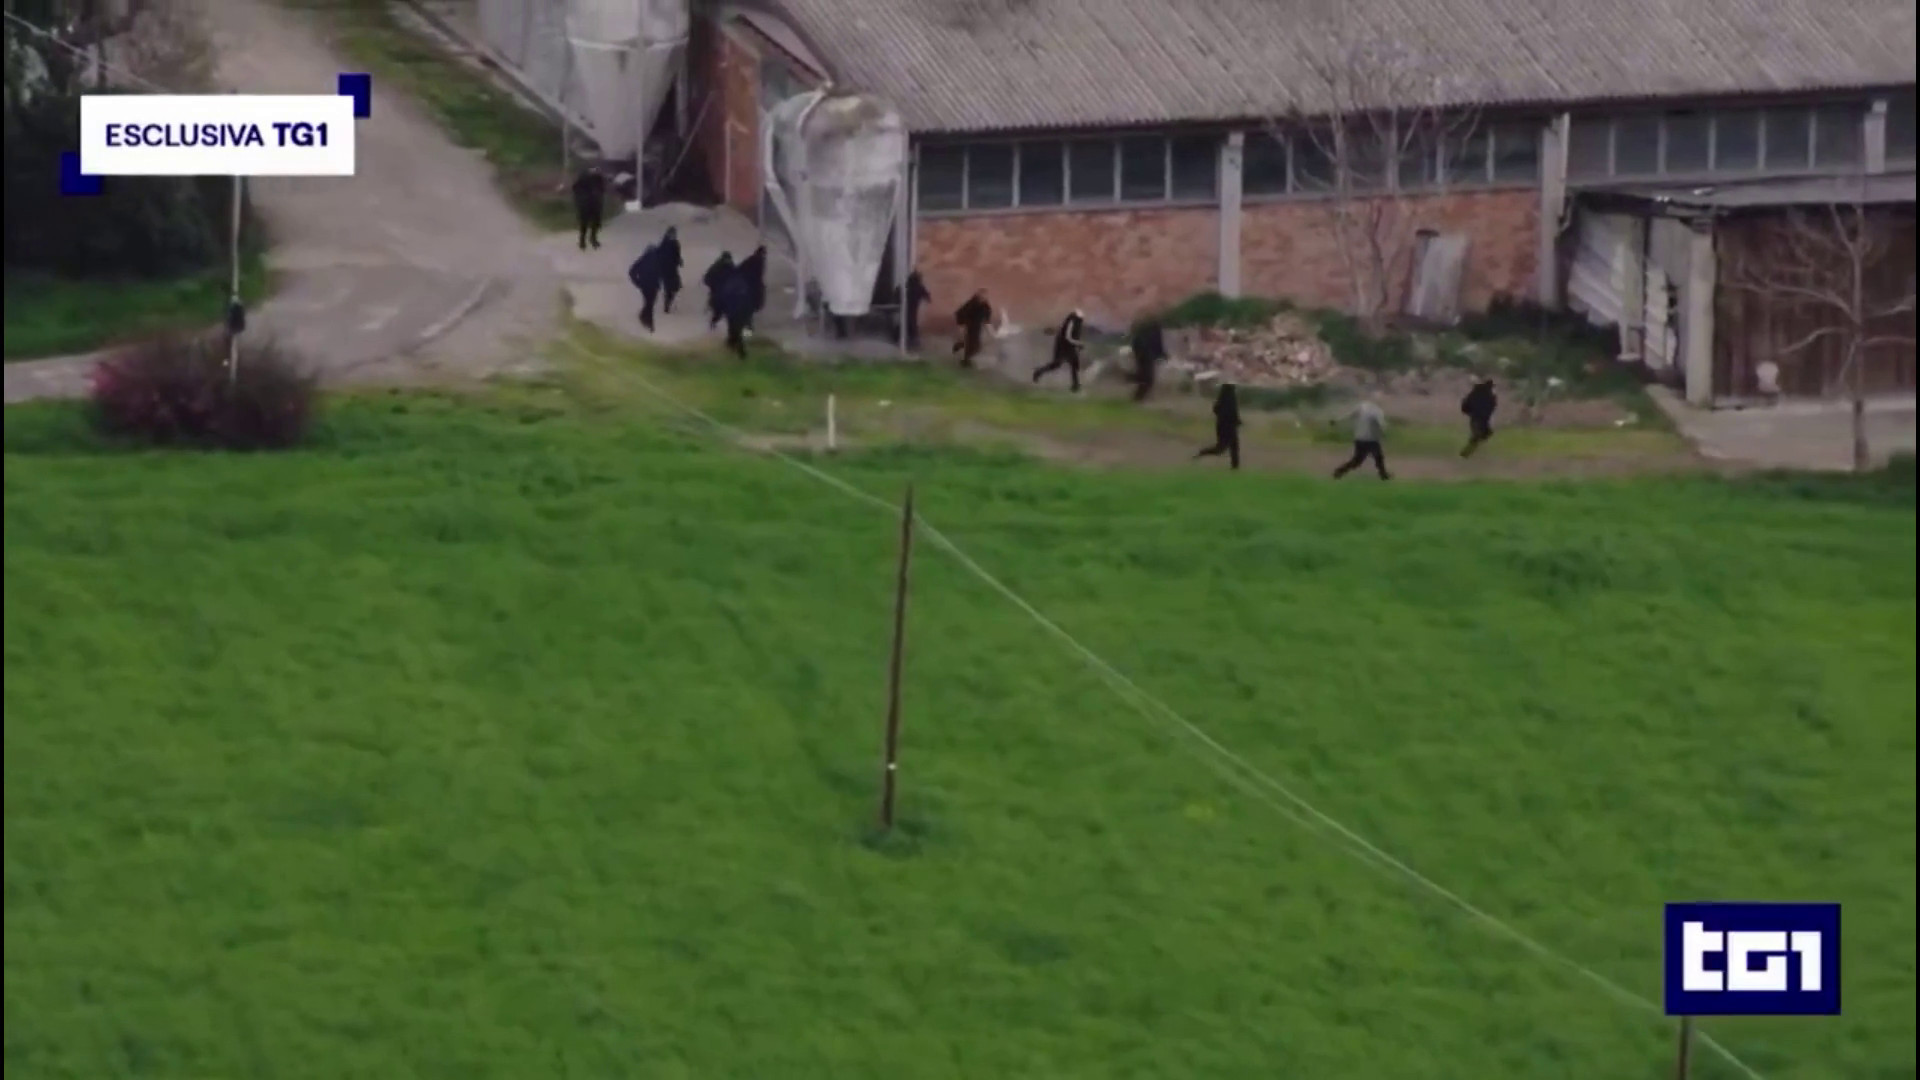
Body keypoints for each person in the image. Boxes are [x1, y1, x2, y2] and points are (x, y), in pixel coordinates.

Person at [1333, 399, 1391, 480]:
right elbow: (1381, 424)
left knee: (1358, 460)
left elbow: (1350, 415)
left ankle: (1339, 471)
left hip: (1359, 438)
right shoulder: (1377, 411)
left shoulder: (1362, 406)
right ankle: (1383, 475)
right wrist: (1384, 432)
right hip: (1371, 439)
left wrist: (1337, 420)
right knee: (1378, 457)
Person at [1032, 308, 1087, 392]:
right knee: (1056, 364)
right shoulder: (1072, 321)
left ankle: (1075, 385)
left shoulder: (1075, 322)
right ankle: (1038, 372)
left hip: (1070, 344)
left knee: (1074, 363)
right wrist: (1078, 343)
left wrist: (1077, 344)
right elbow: (1068, 337)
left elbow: (1068, 331)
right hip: (1062, 345)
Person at [1192, 382, 1243, 470]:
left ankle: (1235, 467)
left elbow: (1216, 410)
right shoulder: (1231, 399)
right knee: (1223, 448)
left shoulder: (1221, 399)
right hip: (1229, 427)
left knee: (1231, 447)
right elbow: (1232, 413)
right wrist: (1238, 422)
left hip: (1222, 426)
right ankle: (1203, 452)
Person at [714, 269, 754, 359]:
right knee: (740, 329)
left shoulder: (728, 286)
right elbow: (748, 301)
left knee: (734, 329)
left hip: (733, 313)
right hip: (741, 312)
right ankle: (736, 345)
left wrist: (718, 314)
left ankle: (736, 346)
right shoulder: (743, 285)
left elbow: (723, 300)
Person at [1128, 317, 1167, 403]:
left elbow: (1156, 342)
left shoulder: (1149, 327)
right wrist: (1160, 353)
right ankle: (1138, 396)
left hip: (1143, 352)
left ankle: (1138, 396)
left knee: (1145, 376)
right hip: (1145, 352)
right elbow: (1157, 342)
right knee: (1146, 377)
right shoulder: (1153, 327)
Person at [951, 289, 992, 368]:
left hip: (977, 326)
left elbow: (987, 319)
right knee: (970, 343)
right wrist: (961, 325)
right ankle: (965, 361)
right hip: (969, 324)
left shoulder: (986, 306)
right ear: (977, 297)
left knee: (975, 346)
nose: (982, 299)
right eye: (981, 297)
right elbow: (960, 313)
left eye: (984, 297)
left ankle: (960, 347)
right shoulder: (971, 304)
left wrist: (990, 331)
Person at [1459, 378, 1498, 458]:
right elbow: (1492, 407)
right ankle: (1466, 453)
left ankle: (1466, 453)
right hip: (1481, 419)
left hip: (1476, 418)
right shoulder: (1489, 396)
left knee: (1481, 435)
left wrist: (1470, 413)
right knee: (1481, 435)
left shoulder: (1475, 393)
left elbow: (1465, 405)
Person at [627, 244, 663, 331]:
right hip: (650, 285)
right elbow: (661, 273)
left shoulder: (644, 260)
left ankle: (644, 318)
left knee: (649, 303)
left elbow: (632, 271)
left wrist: (638, 282)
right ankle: (649, 323)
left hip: (647, 285)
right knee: (650, 304)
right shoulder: (654, 261)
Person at [571, 167, 607, 250]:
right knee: (584, 222)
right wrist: (580, 200)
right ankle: (582, 241)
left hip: (595, 203)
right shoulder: (582, 179)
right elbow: (575, 189)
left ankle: (592, 239)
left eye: (595, 169)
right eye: (592, 169)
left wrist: (599, 196)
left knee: (595, 222)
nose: (594, 171)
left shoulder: (598, 178)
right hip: (585, 203)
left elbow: (602, 189)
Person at [736, 246, 768, 333]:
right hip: (752, 289)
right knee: (748, 312)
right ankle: (746, 330)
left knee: (747, 311)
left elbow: (739, 269)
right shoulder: (759, 261)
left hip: (749, 289)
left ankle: (745, 329)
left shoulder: (752, 260)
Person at [703, 251, 735, 329]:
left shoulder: (731, 267)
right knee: (718, 310)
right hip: (717, 292)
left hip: (727, 292)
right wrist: (713, 286)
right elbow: (707, 278)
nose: (728, 261)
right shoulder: (716, 267)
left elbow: (735, 277)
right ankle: (713, 323)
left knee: (728, 310)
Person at [658, 227, 685, 313]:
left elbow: (677, 255)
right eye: (672, 233)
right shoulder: (665, 243)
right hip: (666, 269)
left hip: (671, 268)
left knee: (674, 286)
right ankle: (667, 304)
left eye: (674, 233)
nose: (674, 235)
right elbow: (659, 255)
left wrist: (680, 261)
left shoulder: (673, 243)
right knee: (671, 287)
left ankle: (667, 302)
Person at [903, 269, 931, 350]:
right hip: (912, 308)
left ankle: (910, 341)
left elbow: (897, 294)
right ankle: (913, 342)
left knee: (909, 323)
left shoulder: (908, 286)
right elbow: (928, 298)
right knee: (912, 324)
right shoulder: (919, 287)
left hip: (907, 309)